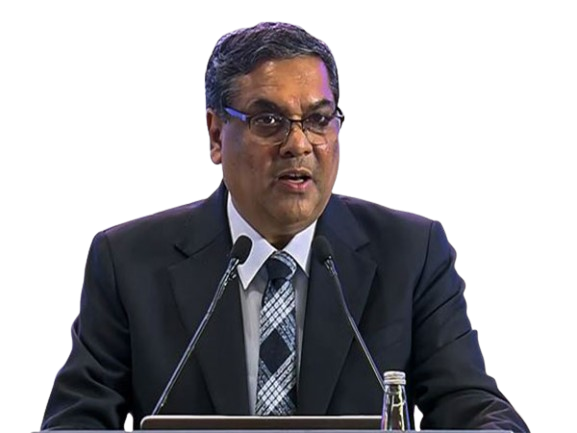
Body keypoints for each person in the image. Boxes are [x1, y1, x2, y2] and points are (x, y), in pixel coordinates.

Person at [40, 21, 530, 431]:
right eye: (269, 121)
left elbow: (471, 404)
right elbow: (76, 419)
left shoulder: (411, 251)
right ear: (216, 134)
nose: (299, 144)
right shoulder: (128, 260)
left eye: (318, 119)